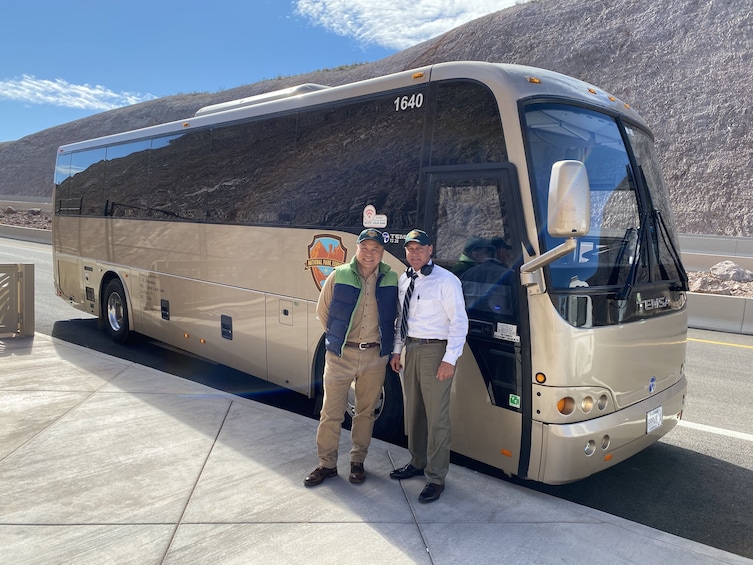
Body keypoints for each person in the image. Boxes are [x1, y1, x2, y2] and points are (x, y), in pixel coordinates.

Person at [304, 228, 398, 487]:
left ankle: (357, 462)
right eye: (365, 248)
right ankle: (327, 464)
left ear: (382, 252)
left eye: (375, 249)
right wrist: (339, 340)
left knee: (365, 413)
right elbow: (323, 312)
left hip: (374, 356)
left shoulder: (391, 279)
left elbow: (395, 317)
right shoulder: (339, 275)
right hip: (341, 356)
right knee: (331, 412)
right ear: (357, 249)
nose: (369, 254)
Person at [389, 229, 469, 503]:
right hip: (411, 348)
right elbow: (401, 319)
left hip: (436, 351)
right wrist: (397, 351)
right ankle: (417, 462)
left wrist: (450, 358)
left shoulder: (447, 281)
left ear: (430, 249)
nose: (414, 253)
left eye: (419, 249)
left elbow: (459, 322)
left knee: (437, 418)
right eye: (410, 249)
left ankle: (436, 477)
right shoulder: (404, 279)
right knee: (415, 412)